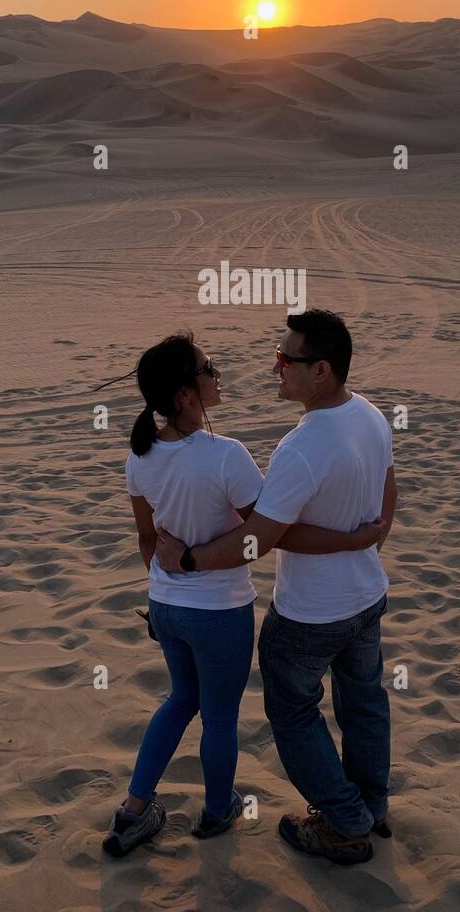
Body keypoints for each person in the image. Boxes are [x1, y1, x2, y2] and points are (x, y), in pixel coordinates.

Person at [103, 332, 383, 858]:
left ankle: (133, 811)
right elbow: (262, 534)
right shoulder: (226, 456)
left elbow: (147, 539)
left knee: (179, 701)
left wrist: (166, 586)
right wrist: (352, 540)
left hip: (166, 604)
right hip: (218, 611)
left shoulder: (138, 457)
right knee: (220, 717)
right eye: (209, 369)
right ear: (186, 395)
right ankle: (216, 811)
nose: (218, 375)